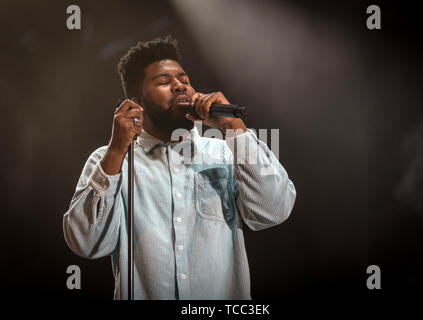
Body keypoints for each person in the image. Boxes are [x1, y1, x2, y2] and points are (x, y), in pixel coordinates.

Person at [63, 35, 296, 300]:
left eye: (184, 81)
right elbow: (86, 243)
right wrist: (117, 150)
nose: (179, 87)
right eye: (164, 82)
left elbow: (274, 209)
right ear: (136, 101)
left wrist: (235, 128)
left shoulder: (224, 151)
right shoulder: (112, 160)